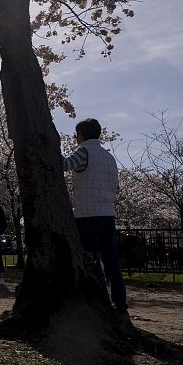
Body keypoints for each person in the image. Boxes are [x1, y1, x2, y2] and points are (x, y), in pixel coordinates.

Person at [63, 117, 128, 320]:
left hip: (87, 215)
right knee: (112, 263)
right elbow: (115, 186)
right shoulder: (109, 158)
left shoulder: (83, 152)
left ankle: (102, 304)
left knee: (92, 262)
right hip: (108, 214)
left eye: (76, 134)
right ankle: (121, 306)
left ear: (81, 135)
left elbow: (64, 165)